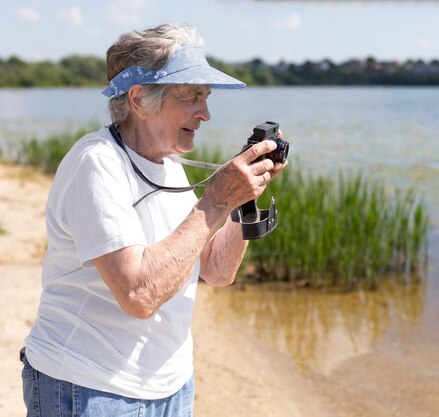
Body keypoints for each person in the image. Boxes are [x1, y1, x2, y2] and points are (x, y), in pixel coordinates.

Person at [21, 22, 287, 416]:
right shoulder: (96, 162)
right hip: (86, 387)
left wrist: (242, 200)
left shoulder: (169, 163)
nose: (206, 113)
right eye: (193, 97)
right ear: (140, 99)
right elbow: (139, 295)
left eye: (207, 97)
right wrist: (215, 200)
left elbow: (215, 270)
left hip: (172, 386)